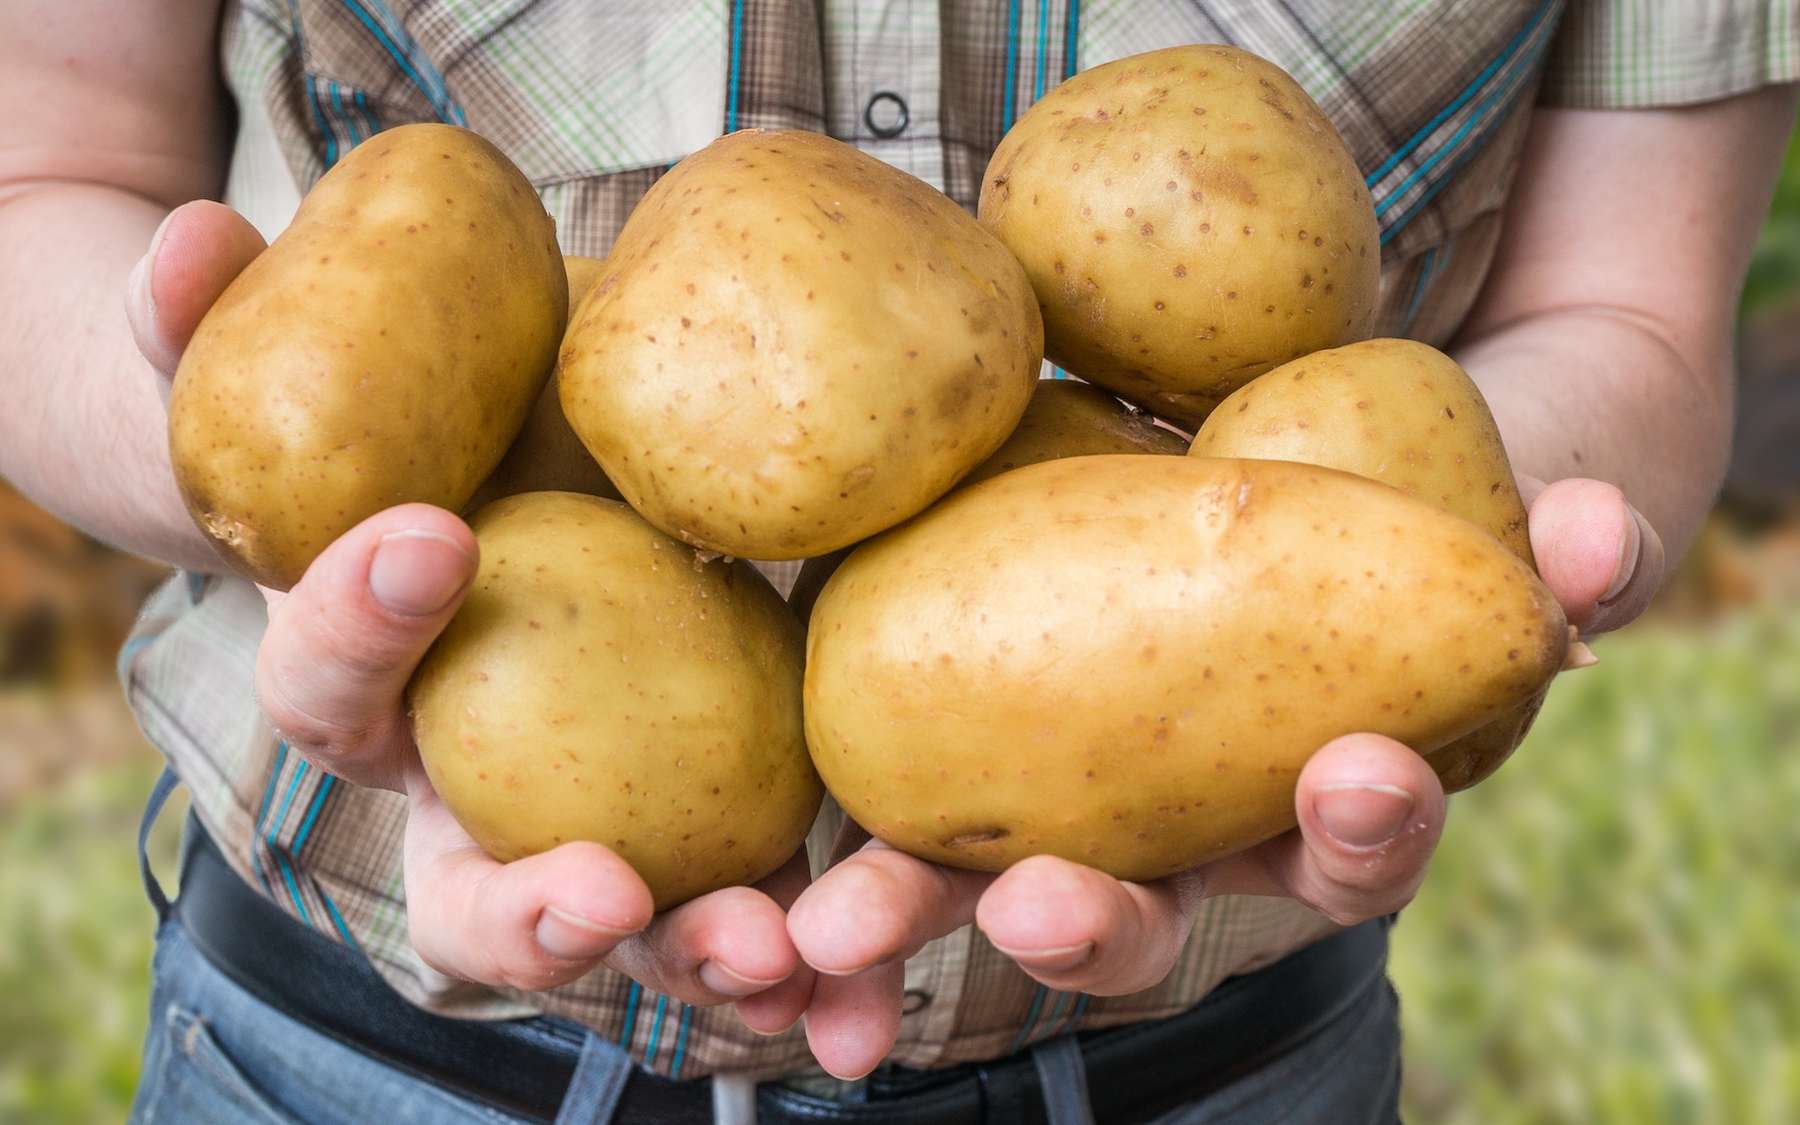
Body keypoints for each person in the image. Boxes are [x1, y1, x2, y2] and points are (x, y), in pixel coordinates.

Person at [1, 1, 1794, 1121]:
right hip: (355, 1057)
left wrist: (1452, 569)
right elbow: (43, 174)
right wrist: (220, 462)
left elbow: (1623, 309)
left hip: (1226, 1063)